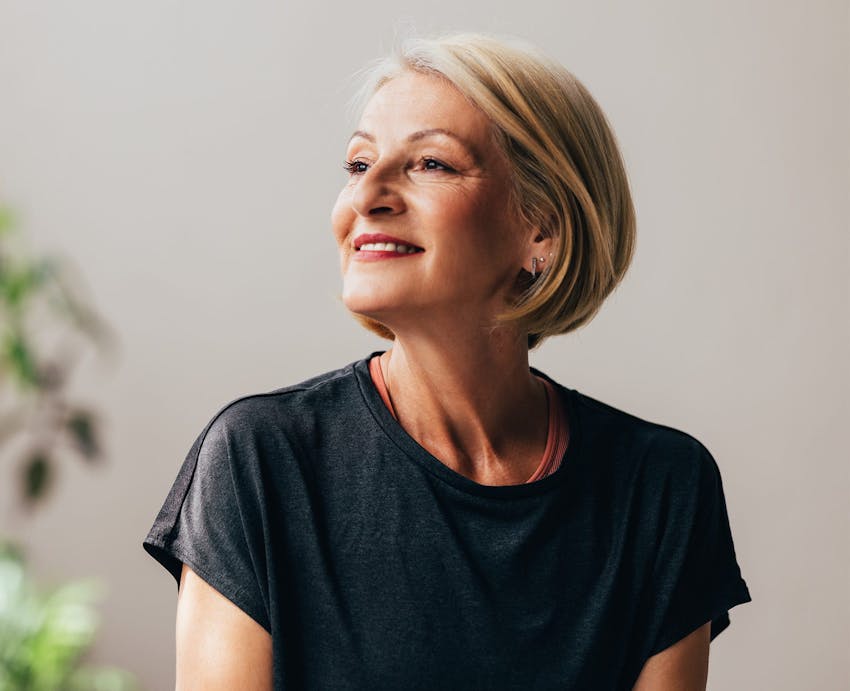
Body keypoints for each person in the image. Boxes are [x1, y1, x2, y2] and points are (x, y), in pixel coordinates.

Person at [142, 31, 752, 690]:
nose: (368, 194)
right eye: (357, 163)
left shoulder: (661, 488)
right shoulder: (257, 459)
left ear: (540, 228)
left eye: (430, 163)